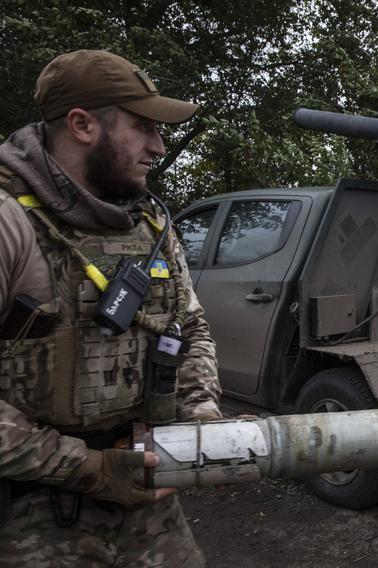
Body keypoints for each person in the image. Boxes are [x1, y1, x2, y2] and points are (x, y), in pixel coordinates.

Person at [0, 50, 222, 566]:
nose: (159, 147)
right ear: (81, 125)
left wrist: (202, 415)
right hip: (29, 502)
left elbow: (190, 326)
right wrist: (92, 469)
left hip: (145, 491)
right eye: (143, 127)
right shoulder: (10, 222)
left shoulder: (148, 226)